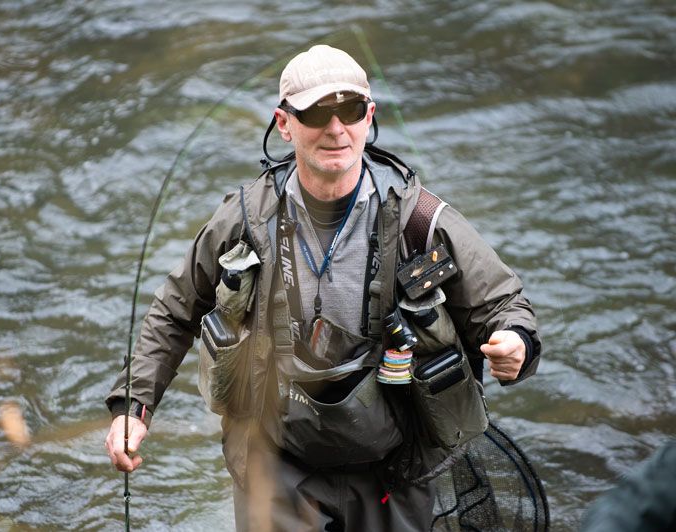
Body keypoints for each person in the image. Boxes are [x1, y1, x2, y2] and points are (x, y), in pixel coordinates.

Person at [104, 44, 542, 531]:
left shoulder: (421, 220)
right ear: (284, 122)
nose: (336, 129)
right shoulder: (245, 219)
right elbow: (175, 311)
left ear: (369, 116)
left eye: (350, 110)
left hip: (392, 473)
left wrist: (516, 342)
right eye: (316, 112)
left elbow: (504, 304)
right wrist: (133, 408)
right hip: (277, 467)